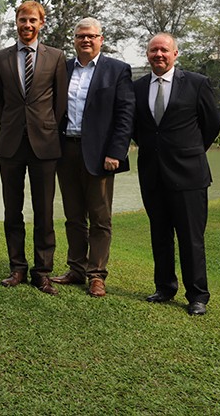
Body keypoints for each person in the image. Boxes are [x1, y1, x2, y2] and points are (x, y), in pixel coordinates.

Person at [132, 33, 220, 316]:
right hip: (152, 173)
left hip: (189, 174)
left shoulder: (196, 84)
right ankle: (164, 287)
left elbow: (212, 125)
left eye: (164, 50)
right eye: (153, 50)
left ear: (175, 54)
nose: (158, 54)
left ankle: (197, 295)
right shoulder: (137, 87)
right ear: (147, 54)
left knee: (190, 237)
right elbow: (136, 127)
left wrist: (191, 150)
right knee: (160, 234)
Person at [0, 0, 68, 294]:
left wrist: (42, 126)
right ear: (16, 22)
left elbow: (59, 104)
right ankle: (17, 268)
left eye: (33, 20)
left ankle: (42, 271)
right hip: (10, 143)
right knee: (13, 210)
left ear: (41, 23)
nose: (27, 25)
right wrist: (14, 125)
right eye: (23, 20)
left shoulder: (56, 57)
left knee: (44, 211)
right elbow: (0, 102)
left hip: (45, 144)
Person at [53, 18, 134, 297]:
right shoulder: (63, 68)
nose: (85, 40)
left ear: (101, 39)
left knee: (100, 217)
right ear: (74, 40)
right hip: (66, 150)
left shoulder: (117, 70)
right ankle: (76, 268)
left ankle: (96, 274)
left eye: (91, 36)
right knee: (73, 216)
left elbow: (125, 115)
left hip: (100, 154)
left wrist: (116, 151)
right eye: (80, 36)